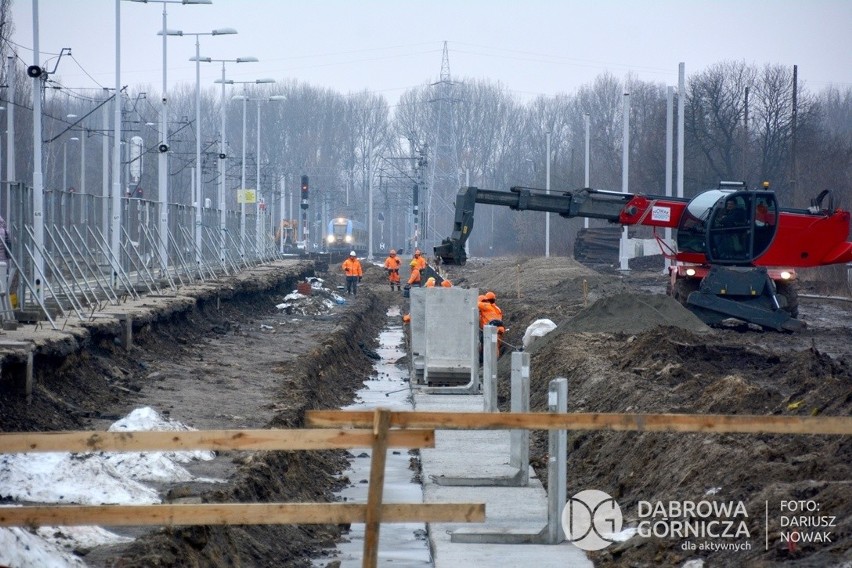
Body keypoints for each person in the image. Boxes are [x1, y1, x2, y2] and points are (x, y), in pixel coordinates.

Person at [478, 291, 505, 357]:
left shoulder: (486, 306)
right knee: (495, 346)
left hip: (493, 329)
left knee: (493, 347)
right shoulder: (496, 308)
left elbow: (476, 304)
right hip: (500, 329)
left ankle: (493, 363)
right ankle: (496, 362)